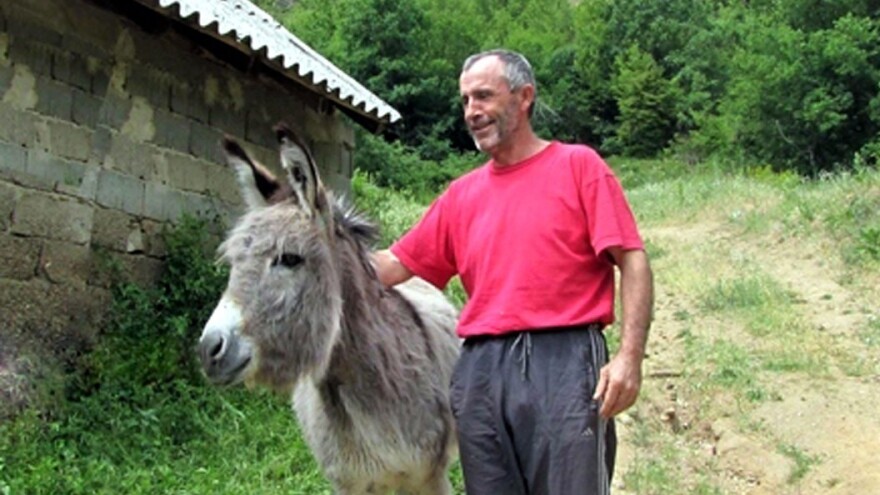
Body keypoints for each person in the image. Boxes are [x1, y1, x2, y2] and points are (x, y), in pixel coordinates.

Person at [372, 49, 653, 495]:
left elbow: (633, 260)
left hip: (564, 362)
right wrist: (315, 243)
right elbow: (392, 265)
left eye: (483, 96)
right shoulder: (461, 195)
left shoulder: (579, 167)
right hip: (481, 370)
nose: (471, 112)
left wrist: (629, 357)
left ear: (524, 97)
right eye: (465, 100)